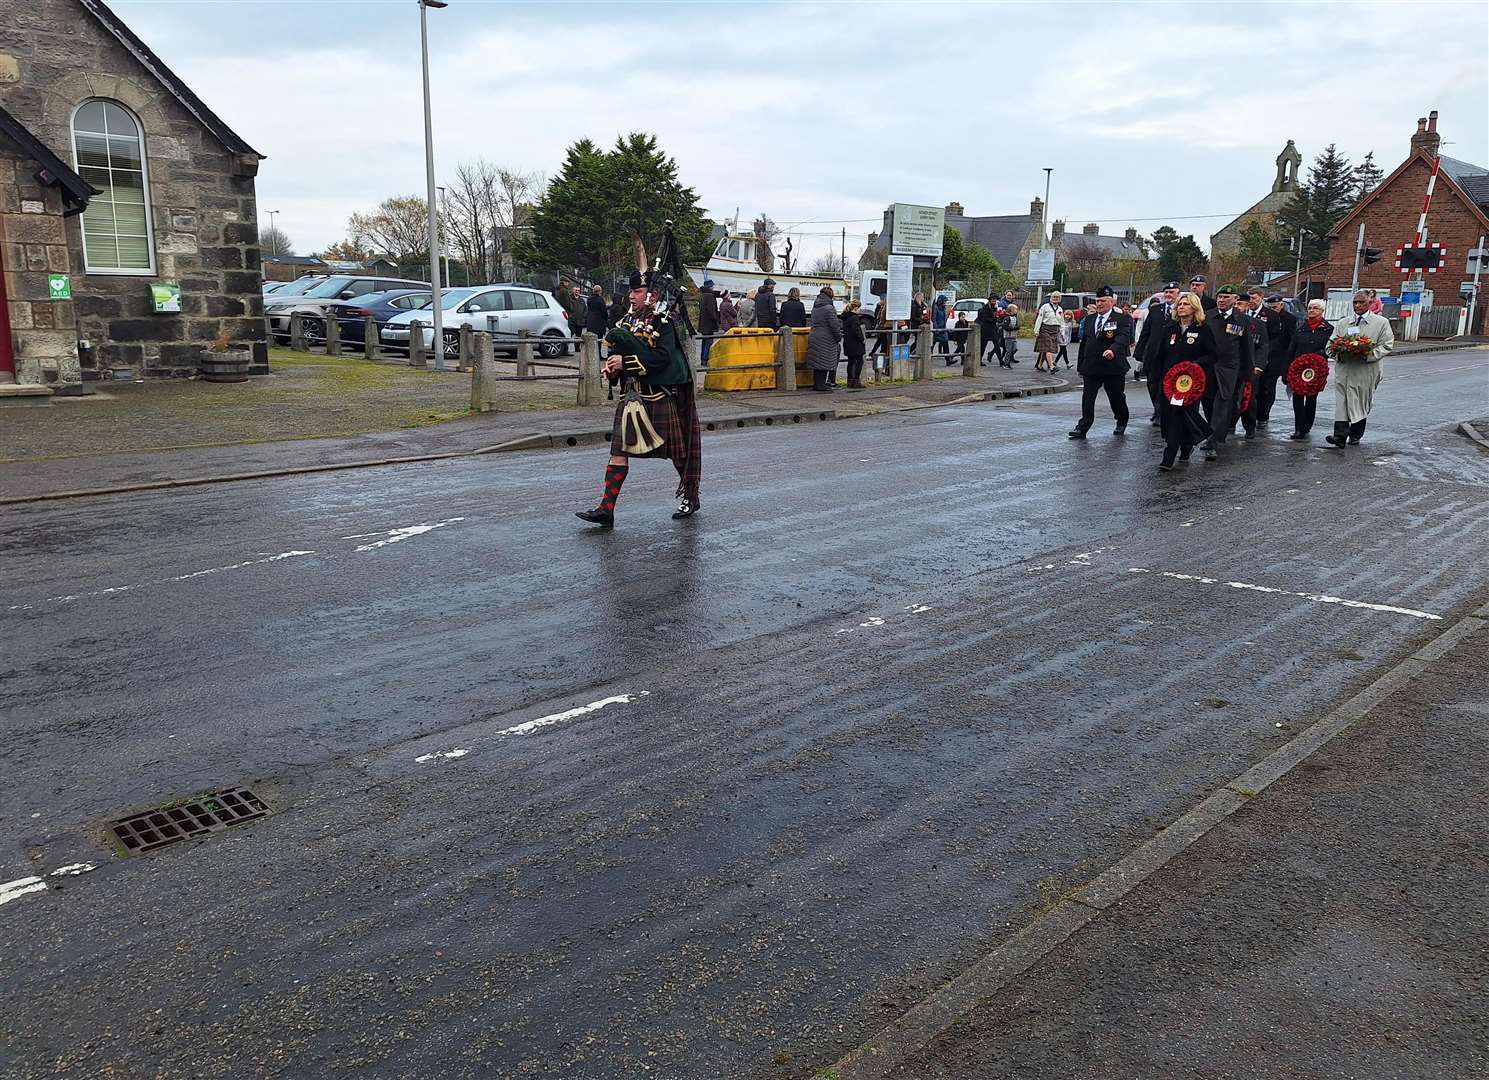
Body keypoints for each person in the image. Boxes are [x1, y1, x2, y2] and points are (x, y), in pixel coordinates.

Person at [576, 270, 701, 527]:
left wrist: (627, 362)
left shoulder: (663, 322)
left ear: (652, 295)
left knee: (676, 454)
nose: (631, 296)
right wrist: (612, 368)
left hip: (658, 396)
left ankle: (691, 496)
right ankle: (606, 509)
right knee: (618, 452)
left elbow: (663, 358)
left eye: (637, 292)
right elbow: (618, 355)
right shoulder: (625, 322)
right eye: (630, 292)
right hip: (630, 396)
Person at [1151, 291, 1216, 471]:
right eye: (1179, 304)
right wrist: (1155, 378)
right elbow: (1159, 355)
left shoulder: (1203, 330)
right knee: (1170, 416)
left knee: (1182, 415)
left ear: (1194, 307)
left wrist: (1194, 366)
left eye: (1185, 304)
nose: (1181, 307)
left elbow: (1212, 355)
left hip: (1190, 383)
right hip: (1169, 383)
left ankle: (1172, 453)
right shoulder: (1169, 329)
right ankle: (1183, 445)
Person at [1324, 288, 1394, 449]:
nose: (1357, 305)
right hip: (1345, 368)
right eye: (1355, 302)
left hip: (1366, 370)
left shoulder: (1381, 323)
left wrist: (1368, 355)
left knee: (1359, 401)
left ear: (1370, 303)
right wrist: (1338, 353)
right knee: (1342, 401)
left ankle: (1355, 434)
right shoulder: (1343, 323)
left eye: (1361, 302)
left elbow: (1387, 344)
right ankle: (1340, 436)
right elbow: (1331, 344)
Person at [1068, 285, 1132, 439]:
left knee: (1116, 398)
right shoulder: (1089, 319)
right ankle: (1083, 427)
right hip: (1092, 367)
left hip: (1113, 367)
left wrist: (1113, 350)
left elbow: (1123, 337)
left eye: (1103, 301)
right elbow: (1085, 344)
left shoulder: (1121, 319)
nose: (1099, 304)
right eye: (1097, 301)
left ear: (1112, 302)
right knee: (1087, 398)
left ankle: (1122, 420)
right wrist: (1081, 366)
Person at [1200, 284, 1253, 461]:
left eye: (1225, 297)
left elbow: (1247, 349)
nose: (1221, 300)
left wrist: (1247, 374)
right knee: (1207, 403)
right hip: (1208, 368)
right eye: (1219, 297)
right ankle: (1214, 432)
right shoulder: (1207, 316)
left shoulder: (1242, 320)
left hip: (1229, 370)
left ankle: (1211, 442)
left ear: (1235, 300)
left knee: (1222, 405)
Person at [1137, 282, 1180, 423]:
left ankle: (1161, 412)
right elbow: (1146, 331)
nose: (1168, 295)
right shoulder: (1155, 310)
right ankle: (1157, 407)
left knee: (1166, 384)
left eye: (1171, 292)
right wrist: (1140, 352)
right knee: (1152, 383)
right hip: (1153, 355)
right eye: (1166, 292)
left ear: (1177, 294)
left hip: (1171, 355)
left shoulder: (1181, 310)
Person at [1287, 298, 1330, 440]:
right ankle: (1299, 427)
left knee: (1311, 398)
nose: (1312, 310)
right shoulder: (1301, 327)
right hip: (1298, 369)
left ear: (1322, 311)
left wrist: (1320, 355)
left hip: (1317, 370)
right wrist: (1286, 370)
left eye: (1315, 308)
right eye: (1310, 308)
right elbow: (1292, 348)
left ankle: (1308, 424)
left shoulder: (1328, 328)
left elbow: (1330, 348)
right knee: (1297, 398)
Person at [1232, 291, 1268, 439]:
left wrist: (1259, 365)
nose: (1237, 307)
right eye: (1235, 304)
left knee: (1249, 398)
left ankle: (1249, 426)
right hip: (1231, 366)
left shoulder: (1257, 324)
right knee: (1230, 396)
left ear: (1247, 306)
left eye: (1240, 304)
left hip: (1250, 367)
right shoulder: (1228, 322)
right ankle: (1229, 424)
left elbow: (1263, 346)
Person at [1256, 292, 1296, 426]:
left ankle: (1264, 413)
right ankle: (1258, 412)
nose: (1273, 310)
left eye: (1275, 307)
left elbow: (1290, 339)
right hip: (1263, 355)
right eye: (1271, 307)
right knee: (1259, 386)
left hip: (1277, 357)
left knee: (1268, 386)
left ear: (1281, 305)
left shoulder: (1289, 319)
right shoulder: (1264, 316)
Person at [806, 286, 843, 392]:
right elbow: (834, 325)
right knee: (825, 362)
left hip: (814, 335)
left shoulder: (816, 307)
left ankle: (817, 384)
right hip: (826, 338)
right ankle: (821, 385)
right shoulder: (829, 308)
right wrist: (838, 337)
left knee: (817, 362)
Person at [1034, 290, 1064, 372]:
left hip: (1055, 330)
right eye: (1054, 297)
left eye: (1057, 297)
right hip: (1045, 329)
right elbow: (1039, 318)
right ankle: (1052, 367)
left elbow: (1061, 321)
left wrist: (1062, 332)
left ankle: (1039, 365)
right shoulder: (1045, 307)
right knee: (1048, 348)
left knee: (1045, 349)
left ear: (1060, 299)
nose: (1055, 298)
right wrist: (1036, 330)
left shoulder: (1060, 309)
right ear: (1051, 298)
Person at [841, 299, 867, 387]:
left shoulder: (846, 317)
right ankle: (856, 381)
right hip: (856, 344)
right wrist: (862, 339)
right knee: (859, 362)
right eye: (859, 308)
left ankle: (849, 380)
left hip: (848, 343)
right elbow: (856, 331)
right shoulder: (854, 318)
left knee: (851, 362)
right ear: (855, 308)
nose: (860, 310)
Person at [697, 278, 720, 365]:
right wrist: (716, 319)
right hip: (709, 323)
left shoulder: (702, 295)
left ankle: (703, 358)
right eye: (712, 286)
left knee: (704, 341)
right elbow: (711, 310)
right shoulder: (710, 296)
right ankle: (706, 359)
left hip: (703, 322)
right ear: (710, 287)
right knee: (709, 341)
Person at [977, 295, 1003, 365]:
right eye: (993, 299)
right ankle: (979, 360)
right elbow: (984, 318)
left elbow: (996, 317)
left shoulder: (995, 307)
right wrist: (995, 319)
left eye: (995, 299)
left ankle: (1001, 361)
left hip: (993, 328)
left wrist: (999, 317)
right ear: (990, 300)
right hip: (986, 328)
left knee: (997, 345)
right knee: (983, 346)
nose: (994, 301)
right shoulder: (985, 307)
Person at [931, 293, 951, 363]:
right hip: (937, 329)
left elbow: (944, 318)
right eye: (944, 301)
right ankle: (927, 356)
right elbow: (934, 319)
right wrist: (936, 329)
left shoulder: (943, 308)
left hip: (942, 329)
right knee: (932, 343)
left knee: (945, 343)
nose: (945, 303)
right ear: (940, 301)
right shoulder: (935, 307)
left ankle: (948, 360)